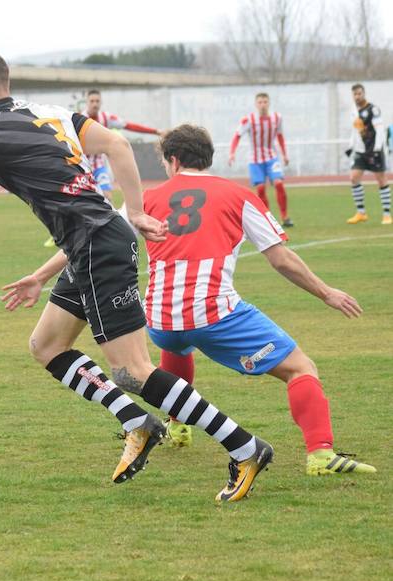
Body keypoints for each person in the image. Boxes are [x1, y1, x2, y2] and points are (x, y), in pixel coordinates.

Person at [0, 49, 273, 502]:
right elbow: (117, 144)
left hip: (97, 248)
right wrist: (133, 211)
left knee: (133, 372)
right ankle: (137, 422)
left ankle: (245, 447)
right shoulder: (50, 113)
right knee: (46, 345)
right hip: (91, 244)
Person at [141, 124, 374, 475]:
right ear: (208, 158)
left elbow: (98, 238)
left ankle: (178, 424)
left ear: (173, 160)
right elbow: (280, 258)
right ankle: (321, 455)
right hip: (212, 316)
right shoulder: (237, 194)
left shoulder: (145, 199)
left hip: (158, 319)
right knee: (300, 368)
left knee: (177, 343)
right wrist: (327, 293)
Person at [43, 90, 163, 247]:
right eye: (92, 101)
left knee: (107, 196)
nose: (95, 104)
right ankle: (61, 232)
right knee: (71, 201)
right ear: (87, 102)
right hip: (82, 167)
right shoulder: (76, 118)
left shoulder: (106, 118)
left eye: (97, 101)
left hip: (99, 166)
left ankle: (108, 231)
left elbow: (129, 125)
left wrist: (155, 132)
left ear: (100, 102)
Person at [228, 92, 293, 227]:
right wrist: (232, 153)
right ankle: (268, 219)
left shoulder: (277, 118)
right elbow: (237, 136)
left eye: (265, 102)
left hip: (272, 157)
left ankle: (285, 217)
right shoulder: (249, 119)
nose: (263, 105)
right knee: (261, 188)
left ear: (269, 103)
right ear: (256, 104)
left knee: (279, 184)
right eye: (260, 102)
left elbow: (280, 136)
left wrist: (285, 154)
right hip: (255, 159)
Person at [346, 83, 391, 225]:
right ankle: (361, 213)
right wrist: (351, 146)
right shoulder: (353, 110)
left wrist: (378, 148)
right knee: (354, 178)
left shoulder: (373, 110)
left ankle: (387, 214)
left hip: (374, 151)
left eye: (359, 93)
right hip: (360, 151)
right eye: (355, 94)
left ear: (364, 94)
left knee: (381, 180)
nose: (357, 96)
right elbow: (355, 130)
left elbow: (380, 130)